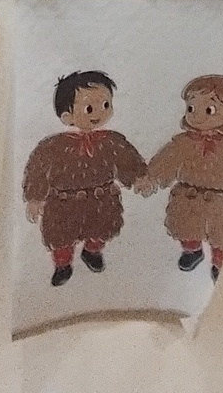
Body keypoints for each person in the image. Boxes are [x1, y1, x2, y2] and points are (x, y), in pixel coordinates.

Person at [22, 70, 146, 286]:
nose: (99, 113)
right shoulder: (53, 146)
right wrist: (35, 197)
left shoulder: (111, 141)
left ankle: (92, 251)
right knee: (61, 238)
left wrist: (138, 177)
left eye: (105, 105)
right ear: (67, 116)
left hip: (101, 200)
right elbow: (37, 169)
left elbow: (127, 159)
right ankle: (62, 265)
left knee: (101, 229)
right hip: (64, 204)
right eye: (89, 108)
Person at [137, 75, 223, 282]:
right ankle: (192, 250)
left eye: (209, 110)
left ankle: (220, 264)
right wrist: (152, 177)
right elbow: (166, 160)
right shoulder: (184, 143)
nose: (197, 116)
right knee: (186, 227)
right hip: (190, 198)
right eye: (191, 108)